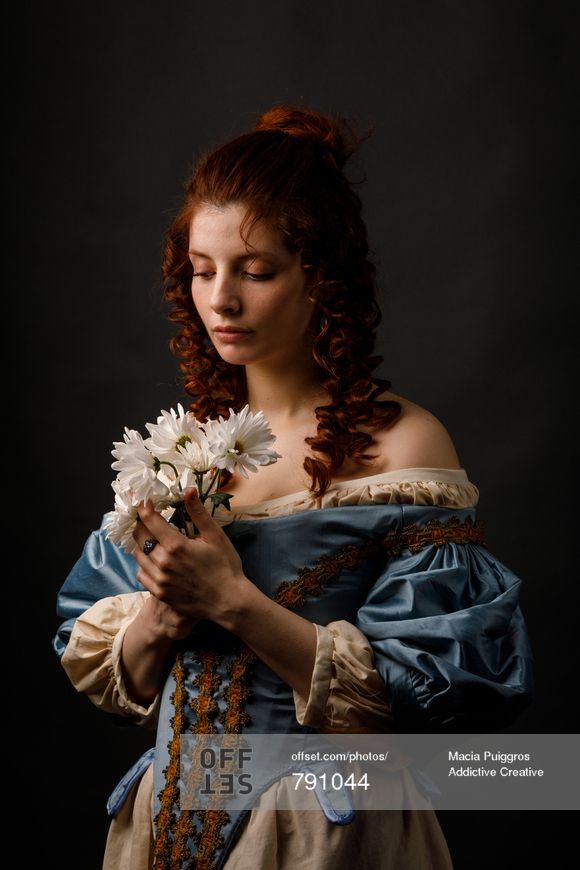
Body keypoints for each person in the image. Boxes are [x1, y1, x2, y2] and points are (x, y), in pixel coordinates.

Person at [53, 104, 534, 869]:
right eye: (202, 271)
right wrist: (163, 613)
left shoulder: (404, 445)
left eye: (256, 270)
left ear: (323, 275)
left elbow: (433, 695)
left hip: (321, 830)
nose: (222, 301)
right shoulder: (184, 450)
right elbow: (116, 677)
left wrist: (233, 603)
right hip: (164, 826)